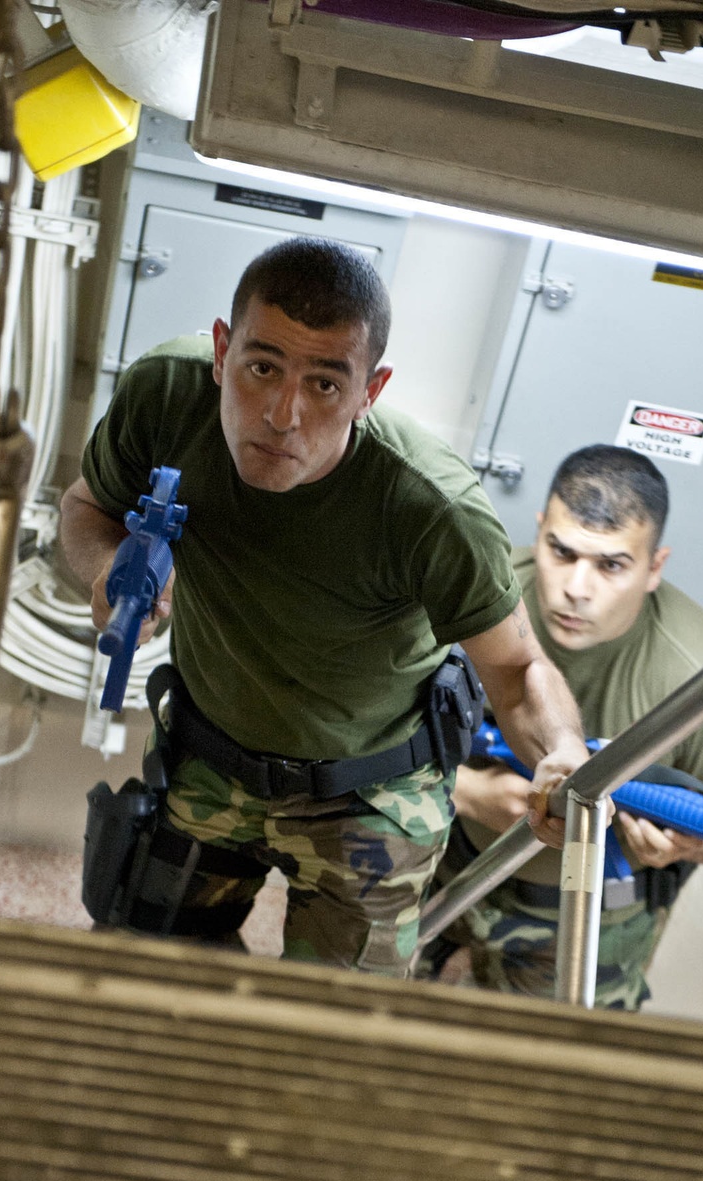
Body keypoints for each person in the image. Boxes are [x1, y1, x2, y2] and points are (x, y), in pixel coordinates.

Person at [60, 235, 588, 975]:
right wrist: (111, 569)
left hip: (370, 798)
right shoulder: (165, 397)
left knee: (333, 1039)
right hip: (206, 757)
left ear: (371, 390)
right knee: (143, 982)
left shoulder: (429, 508)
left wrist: (562, 754)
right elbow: (87, 508)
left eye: (325, 385)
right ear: (221, 350)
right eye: (261, 367)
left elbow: (519, 671)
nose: (282, 414)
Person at [416, 443, 703, 1008]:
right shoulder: (474, 594)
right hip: (448, 848)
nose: (576, 589)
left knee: (556, 1065)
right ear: (539, 532)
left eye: (611, 565)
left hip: (589, 914)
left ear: (654, 567)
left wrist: (687, 845)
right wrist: (465, 792)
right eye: (561, 552)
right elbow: (365, 724)